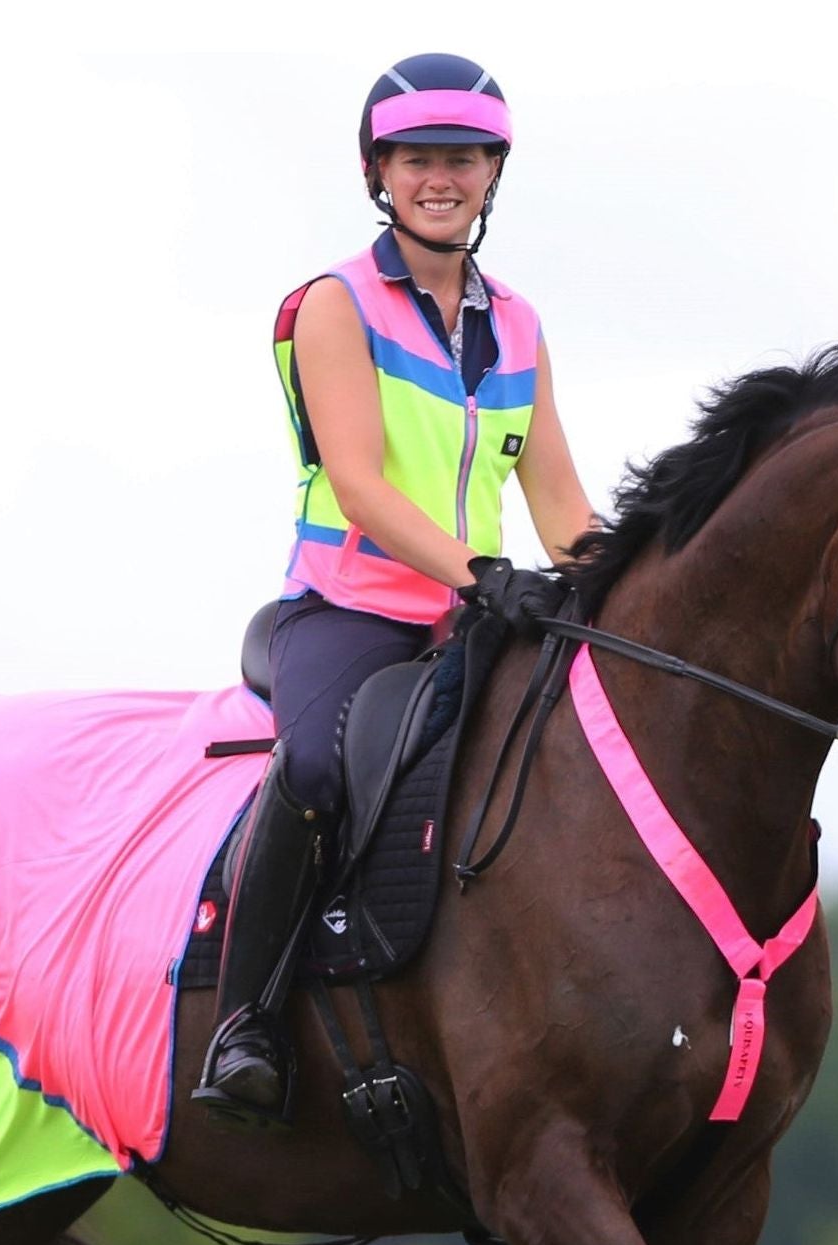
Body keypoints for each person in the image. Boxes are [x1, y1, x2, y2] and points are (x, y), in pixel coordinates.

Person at [195, 52, 596, 1123]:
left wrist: (621, 576)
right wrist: (480, 573)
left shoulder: (517, 324)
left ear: (490, 173)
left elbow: (557, 496)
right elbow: (361, 484)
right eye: (417, 158)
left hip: (481, 617)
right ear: (380, 172)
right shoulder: (334, 305)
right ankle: (247, 1020)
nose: (440, 177)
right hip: (351, 611)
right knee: (319, 765)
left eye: (461, 159)